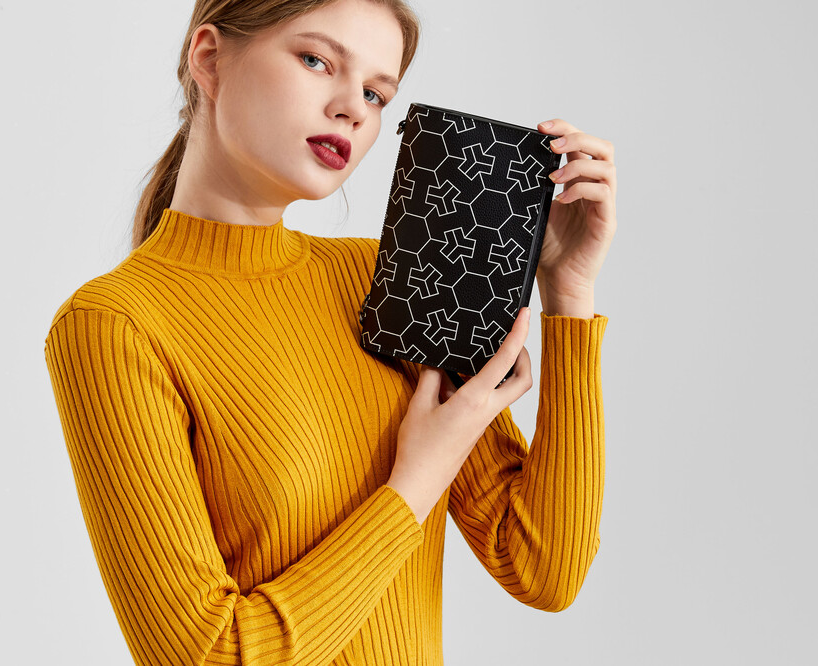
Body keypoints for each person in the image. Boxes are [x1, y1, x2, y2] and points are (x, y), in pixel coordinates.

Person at [42, 0, 617, 663]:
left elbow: (546, 570)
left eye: (376, 94)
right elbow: (213, 654)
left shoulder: (387, 282)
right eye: (317, 61)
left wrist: (569, 293)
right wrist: (414, 484)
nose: (352, 109)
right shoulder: (114, 325)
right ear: (210, 58)